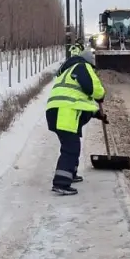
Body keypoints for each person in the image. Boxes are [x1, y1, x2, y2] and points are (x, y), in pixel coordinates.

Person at [45, 46, 106, 195]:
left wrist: (96, 113)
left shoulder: (68, 70)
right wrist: (100, 95)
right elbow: (92, 88)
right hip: (65, 111)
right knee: (70, 148)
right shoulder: (83, 66)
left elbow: (78, 99)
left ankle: (70, 173)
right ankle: (61, 183)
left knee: (71, 144)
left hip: (56, 110)